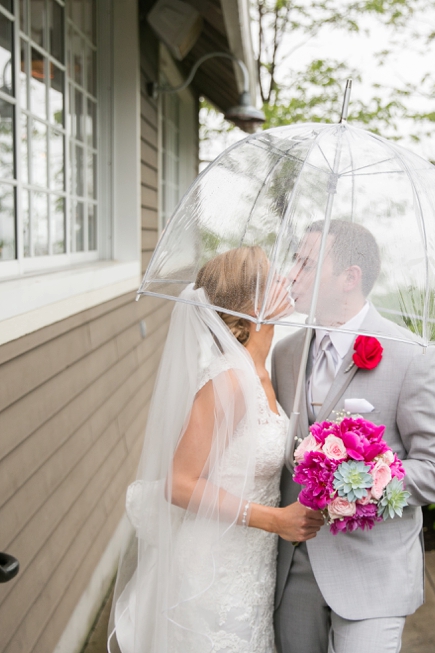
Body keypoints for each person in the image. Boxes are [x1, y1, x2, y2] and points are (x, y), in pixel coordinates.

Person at [108, 246, 323, 653]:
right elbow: (179, 484)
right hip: (212, 572)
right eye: (274, 276)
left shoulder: (265, 370)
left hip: (249, 569)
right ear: (253, 304)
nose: (288, 280)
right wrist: (274, 520)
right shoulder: (230, 380)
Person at [272, 221, 435, 653]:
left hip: (373, 572)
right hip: (294, 571)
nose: (291, 274)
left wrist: (354, 480)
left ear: (350, 277)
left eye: (306, 263)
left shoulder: (412, 357)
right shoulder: (285, 354)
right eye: (294, 260)